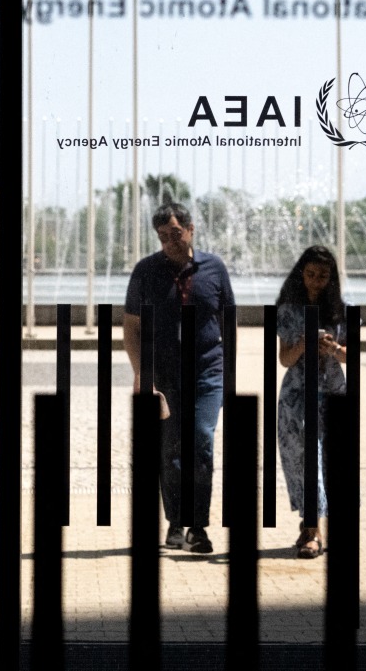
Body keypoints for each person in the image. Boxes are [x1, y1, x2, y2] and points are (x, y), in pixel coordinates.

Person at [123, 202, 235, 554]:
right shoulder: (146, 271)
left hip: (207, 371)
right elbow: (132, 328)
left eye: (175, 234)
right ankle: (174, 521)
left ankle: (197, 527)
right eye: (162, 237)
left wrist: (229, 374)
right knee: (170, 448)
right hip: (164, 374)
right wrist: (142, 376)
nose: (170, 242)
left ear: (190, 229)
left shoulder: (214, 268)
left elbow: (228, 321)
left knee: (200, 440)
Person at [275, 245, 348, 559]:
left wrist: (333, 349)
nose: (316, 281)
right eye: (310, 274)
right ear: (301, 274)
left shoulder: (343, 311)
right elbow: (284, 359)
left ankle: (312, 530)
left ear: (331, 277)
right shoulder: (289, 310)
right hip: (296, 396)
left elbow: (351, 356)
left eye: (322, 275)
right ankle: (311, 529)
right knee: (300, 461)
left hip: (332, 393)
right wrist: (304, 343)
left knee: (322, 462)